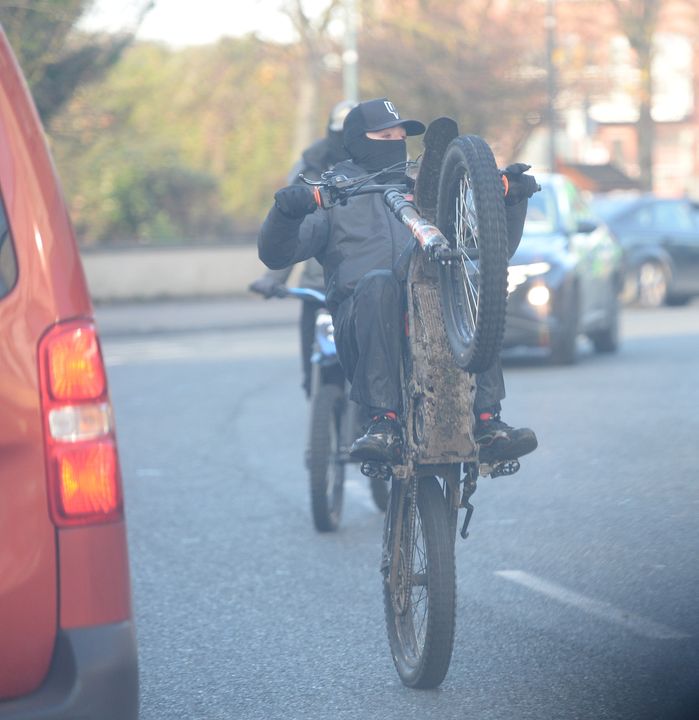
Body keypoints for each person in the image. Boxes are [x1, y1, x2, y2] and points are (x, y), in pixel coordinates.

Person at [258, 97, 539, 464]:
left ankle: (489, 424)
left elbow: (488, 251)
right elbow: (277, 254)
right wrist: (286, 212)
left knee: (463, 286)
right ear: (358, 140)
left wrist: (510, 201)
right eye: (384, 135)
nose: (395, 142)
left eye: (400, 135)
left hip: (431, 317)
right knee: (378, 282)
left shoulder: (430, 191)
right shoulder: (333, 195)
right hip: (361, 324)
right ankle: (382, 423)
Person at [249, 99, 356, 397]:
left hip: (363, 284)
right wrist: (273, 280)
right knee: (313, 370)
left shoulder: (383, 168)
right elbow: (291, 228)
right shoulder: (309, 168)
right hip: (317, 288)